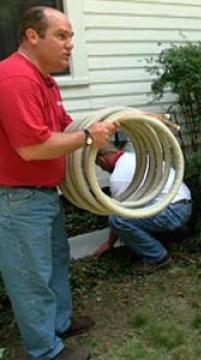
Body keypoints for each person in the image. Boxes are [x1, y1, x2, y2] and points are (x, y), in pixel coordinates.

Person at [0, 6, 118, 360]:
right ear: (33, 36)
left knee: (54, 261)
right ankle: (46, 351)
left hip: (42, 196)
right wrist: (87, 138)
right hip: (17, 200)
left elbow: (64, 129)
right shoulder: (16, 79)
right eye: (61, 36)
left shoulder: (44, 80)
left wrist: (102, 153)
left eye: (72, 37)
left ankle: (60, 323)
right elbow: (32, 147)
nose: (70, 46)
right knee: (31, 278)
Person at [94, 145, 192, 274]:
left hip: (171, 212)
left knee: (117, 220)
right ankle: (177, 234)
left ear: (102, 160)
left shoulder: (118, 177)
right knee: (144, 207)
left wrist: (109, 244)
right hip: (185, 205)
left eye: (101, 166)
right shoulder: (136, 157)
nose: (103, 169)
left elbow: (120, 213)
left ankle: (158, 258)